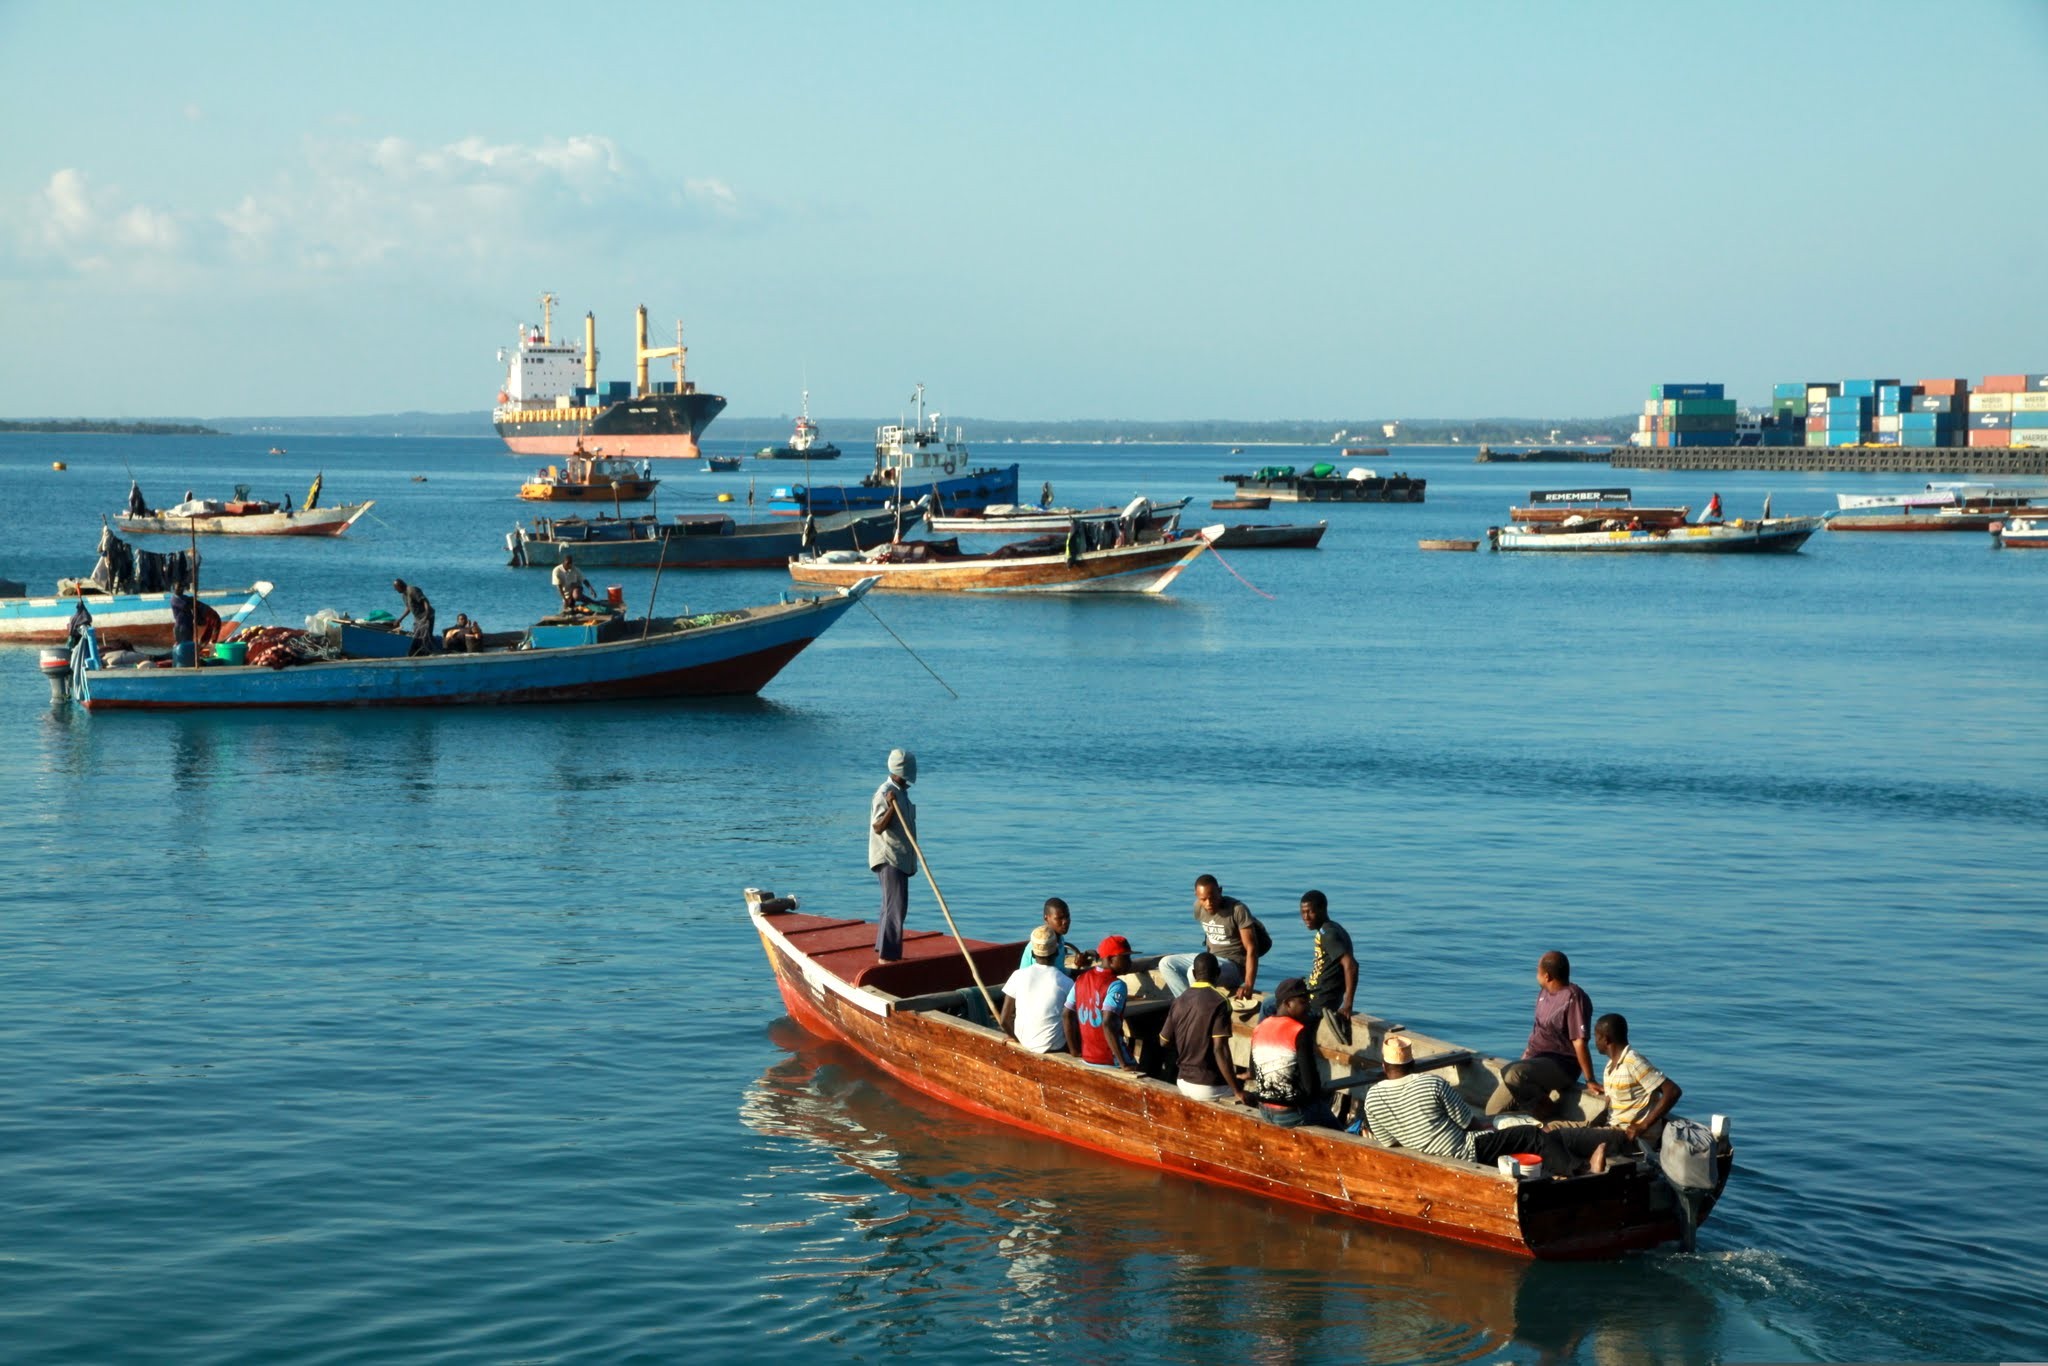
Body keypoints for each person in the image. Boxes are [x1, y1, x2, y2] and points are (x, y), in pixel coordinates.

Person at [1366, 1033, 1605, 1175]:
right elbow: (1469, 1125)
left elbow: (1388, 1141)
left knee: (1508, 1136)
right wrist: (1493, 1127)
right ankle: (1582, 1170)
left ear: (1385, 1068)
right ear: (1413, 1063)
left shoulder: (1372, 1098)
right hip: (1465, 1152)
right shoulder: (1431, 1083)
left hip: (1425, 1155)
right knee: (1532, 1135)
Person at [1486, 950, 1598, 1118]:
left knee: (1513, 1073)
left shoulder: (1574, 998)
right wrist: (1525, 1059)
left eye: (1537, 971)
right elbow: (1538, 1033)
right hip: (1537, 1061)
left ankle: (1545, 1109)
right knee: (1492, 1111)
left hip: (1562, 1064)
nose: (1535, 975)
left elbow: (1579, 1042)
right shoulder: (1543, 994)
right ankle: (1527, 1114)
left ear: (1547, 976)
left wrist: (1590, 1079)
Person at [1245, 978, 1338, 1127]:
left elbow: (1254, 1072)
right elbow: (1311, 1087)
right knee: (1335, 1126)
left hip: (1264, 1109)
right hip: (1290, 1114)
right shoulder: (1299, 1032)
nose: (1308, 1007)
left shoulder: (1259, 1028)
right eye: (1303, 1002)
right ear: (1288, 1003)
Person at [1163, 952, 1249, 1104]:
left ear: (1194, 974)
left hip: (1182, 1080)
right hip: (1208, 1086)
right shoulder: (1219, 1001)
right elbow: (1219, 1049)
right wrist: (1238, 1091)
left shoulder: (1179, 1000)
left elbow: (1164, 1041)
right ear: (1218, 973)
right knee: (1249, 1093)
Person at [1158, 875, 1260, 1000]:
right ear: (1196, 895)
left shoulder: (1238, 910)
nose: (1208, 903)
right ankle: (1186, 1003)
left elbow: (1251, 949)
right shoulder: (1198, 908)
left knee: (1194, 971)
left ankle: (1197, 1007)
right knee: (1166, 963)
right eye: (1203, 899)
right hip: (1212, 960)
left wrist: (1248, 984)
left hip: (1234, 966)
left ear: (1220, 891)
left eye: (1212, 898)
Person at [1593, 1013, 1681, 1155]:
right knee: (1551, 1131)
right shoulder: (1610, 1066)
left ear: (1606, 1039)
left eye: (1596, 1036)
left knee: (1561, 1139)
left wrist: (1642, 1126)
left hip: (1629, 1137)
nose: (1595, 1041)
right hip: (1612, 1129)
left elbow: (1673, 1091)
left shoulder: (1633, 1062)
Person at [868, 749, 918, 962]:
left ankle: (883, 948)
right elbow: (878, 826)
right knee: (895, 907)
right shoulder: (885, 793)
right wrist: (890, 807)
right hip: (889, 857)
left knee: (891, 905)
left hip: (901, 858)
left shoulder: (901, 793)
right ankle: (889, 956)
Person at [1062, 935, 1138, 1070]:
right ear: (1110, 959)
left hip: (1088, 1058)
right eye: (1125, 957)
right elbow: (1108, 1023)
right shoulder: (1116, 985)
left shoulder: (1080, 979)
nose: (1130, 962)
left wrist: (1074, 1050)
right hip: (1110, 1060)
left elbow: (1067, 1014)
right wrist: (1123, 1064)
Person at [999, 925, 1073, 1055]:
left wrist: (1016, 1039)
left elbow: (1004, 1019)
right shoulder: (1066, 982)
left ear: (1033, 953)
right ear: (1056, 952)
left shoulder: (1017, 975)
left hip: (1024, 1042)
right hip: (1055, 1048)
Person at [1298, 890, 1358, 1044]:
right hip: (1315, 993)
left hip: (1320, 1000)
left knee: (1269, 1008)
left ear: (1322, 909)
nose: (1305, 917)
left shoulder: (1329, 934)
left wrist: (1347, 1004)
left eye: (1310, 912)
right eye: (1302, 912)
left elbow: (1351, 965)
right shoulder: (1330, 929)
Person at [1018, 897, 1076, 973]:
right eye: (1059, 918)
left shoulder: (1060, 939)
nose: (1065, 921)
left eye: (1067, 916)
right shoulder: (1041, 946)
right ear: (1046, 918)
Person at [391, 578, 436, 657]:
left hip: (427, 616)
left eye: (396, 588)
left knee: (425, 635)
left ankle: (428, 652)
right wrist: (400, 619)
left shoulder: (412, 590)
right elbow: (409, 608)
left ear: (400, 586)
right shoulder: (404, 595)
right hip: (418, 618)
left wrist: (426, 615)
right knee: (417, 635)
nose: (396, 590)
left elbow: (425, 601)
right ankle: (419, 652)